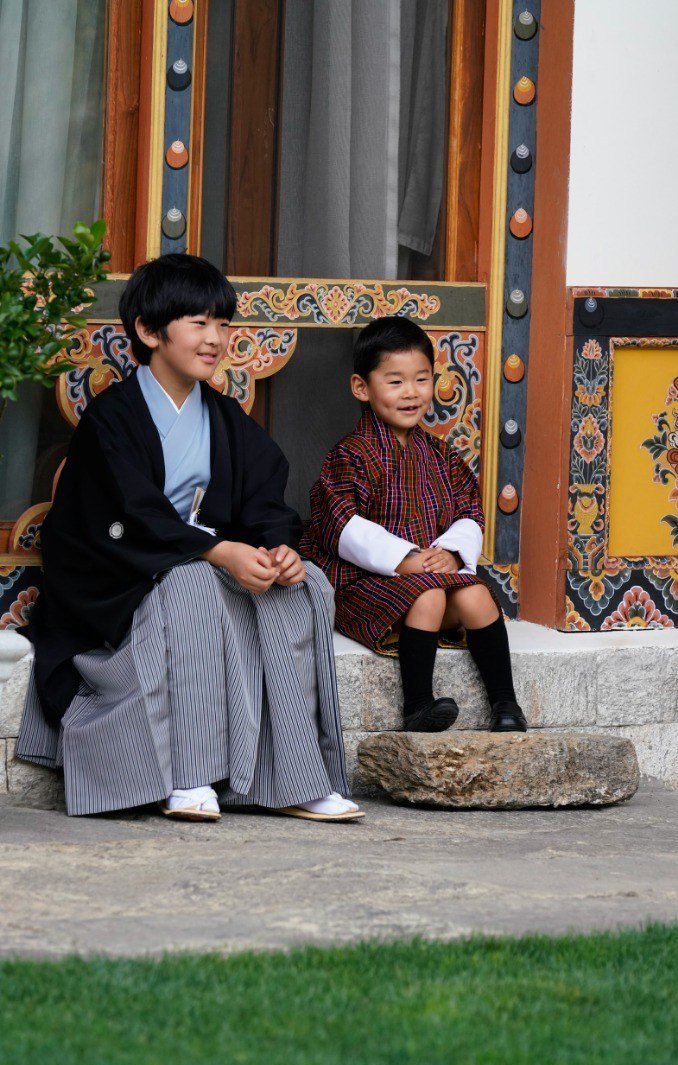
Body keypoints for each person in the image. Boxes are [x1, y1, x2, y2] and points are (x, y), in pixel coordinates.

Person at [16, 253, 362, 822]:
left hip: (205, 567)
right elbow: (128, 512)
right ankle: (188, 775)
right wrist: (216, 550)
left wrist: (278, 549)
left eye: (222, 324)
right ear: (149, 332)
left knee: (304, 588)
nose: (215, 338)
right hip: (121, 590)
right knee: (192, 582)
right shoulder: (114, 418)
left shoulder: (224, 417)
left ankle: (296, 777)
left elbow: (265, 496)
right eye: (198, 323)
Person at [301, 316, 527, 734]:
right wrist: (403, 558)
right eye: (395, 382)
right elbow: (339, 522)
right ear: (361, 388)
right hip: (367, 579)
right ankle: (418, 705)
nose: (411, 393)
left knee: (477, 595)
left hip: (431, 576)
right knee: (430, 598)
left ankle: (505, 704)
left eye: (421, 379)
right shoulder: (351, 455)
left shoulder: (440, 454)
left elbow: (469, 511)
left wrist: (451, 553)